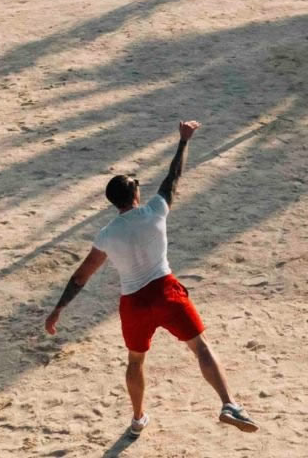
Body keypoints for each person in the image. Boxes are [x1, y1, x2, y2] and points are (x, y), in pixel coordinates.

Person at [43, 121, 259, 439]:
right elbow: (173, 178)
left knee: (135, 361)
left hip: (133, 303)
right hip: (167, 292)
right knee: (200, 348)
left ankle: (137, 417)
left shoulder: (106, 235)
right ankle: (229, 404)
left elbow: (80, 276)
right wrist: (184, 141)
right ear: (135, 194)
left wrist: (58, 309)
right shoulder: (155, 210)